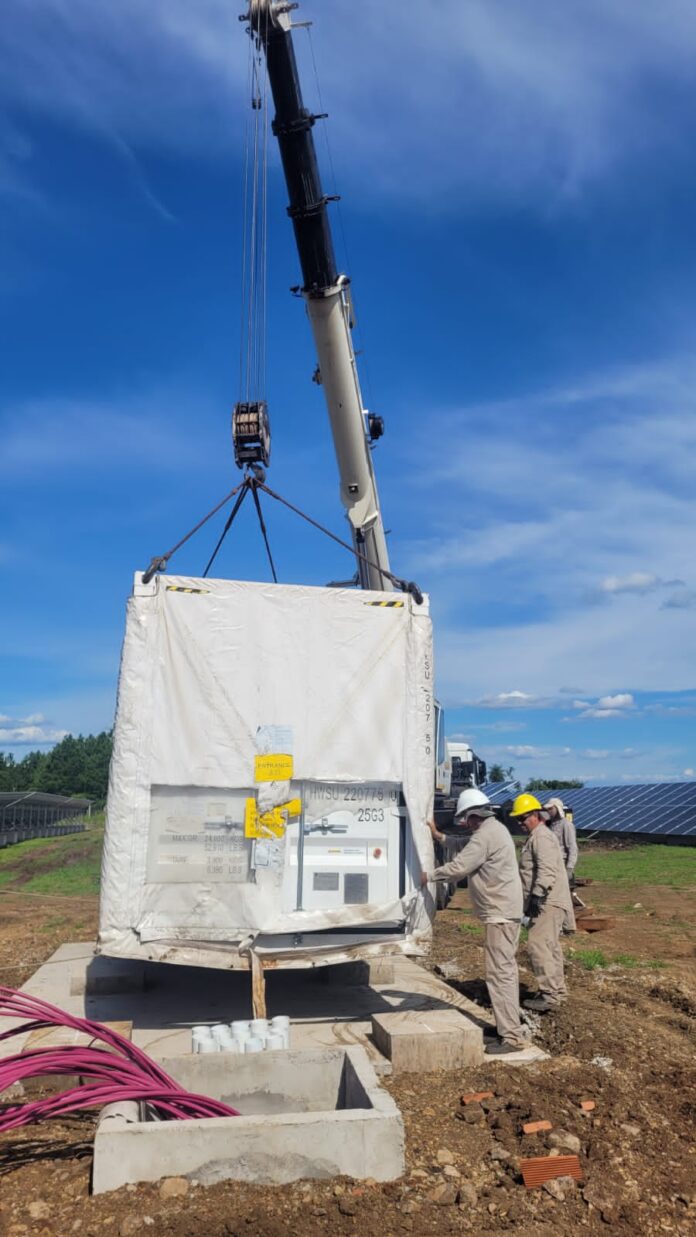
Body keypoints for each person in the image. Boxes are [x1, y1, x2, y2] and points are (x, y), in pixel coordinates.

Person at [422, 788, 527, 1056]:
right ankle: (507, 1027)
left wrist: (429, 876)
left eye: (466, 819)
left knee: (500, 974)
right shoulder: (493, 830)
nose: (465, 824)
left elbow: (460, 866)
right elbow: (466, 845)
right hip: (504, 911)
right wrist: (440, 837)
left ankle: (511, 1037)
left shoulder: (486, 834)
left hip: (499, 913)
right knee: (504, 972)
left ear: (473, 815)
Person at [509, 793, 575, 1013]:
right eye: (517, 819)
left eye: (523, 818)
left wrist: (537, 894)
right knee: (550, 947)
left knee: (538, 945)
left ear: (535, 814)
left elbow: (547, 869)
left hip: (547, 901)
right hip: (548, 900)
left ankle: (550, 995)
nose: (520, 823)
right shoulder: (537, 836)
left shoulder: (542, 837)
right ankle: (557, 991)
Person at [543, 797, 578, 886]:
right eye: (547, 809)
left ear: (558, 808)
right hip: (550, 863)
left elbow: (572, 847)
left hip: (562, 864)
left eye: (551, 808)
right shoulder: (549, 824)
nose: (549, 811)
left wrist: (569, 868)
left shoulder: (566, 825)